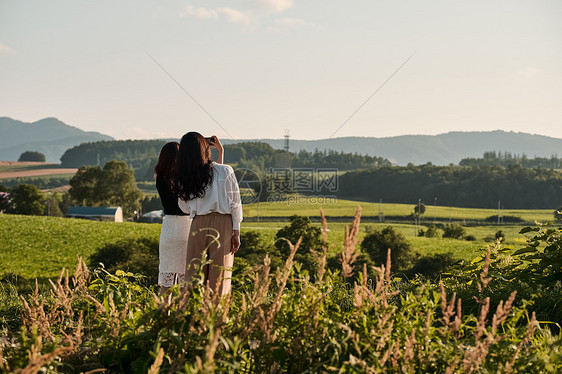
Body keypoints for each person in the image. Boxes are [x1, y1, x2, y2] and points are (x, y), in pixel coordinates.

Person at [176, 132, 242, 296]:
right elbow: (235, 203)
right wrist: (236, 231)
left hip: (198, 224)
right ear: (205, 149)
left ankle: (190, 317)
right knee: (219, 277)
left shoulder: (184, 177)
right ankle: (215, 318)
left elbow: (183, 207)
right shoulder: (225, 171)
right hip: (222, 224)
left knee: (193, 276)